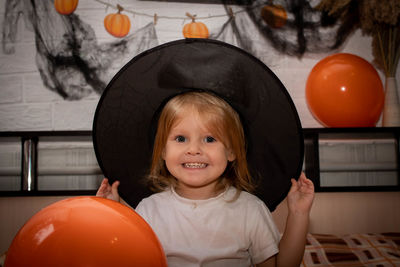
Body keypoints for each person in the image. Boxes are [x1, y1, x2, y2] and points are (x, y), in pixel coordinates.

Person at [96, 91, 314, 267]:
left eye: (209, 139)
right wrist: (112, 218)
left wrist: (298, 214)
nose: (194, 150)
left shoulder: (250, 209)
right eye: (180, 138)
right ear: (162, 151)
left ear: (231, 152)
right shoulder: (148, 211)